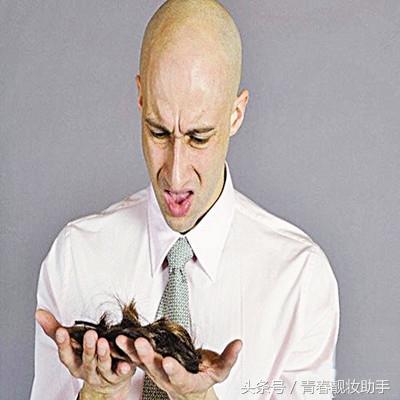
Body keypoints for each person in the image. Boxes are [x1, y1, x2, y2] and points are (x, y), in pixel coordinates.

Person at [31, 1, 340, 399]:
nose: (175, 175)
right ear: (140, 100)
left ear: (236, 114)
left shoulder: (301, 279)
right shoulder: (74, 257)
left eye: (198, 137)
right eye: (159, 132)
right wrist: (97, 394)